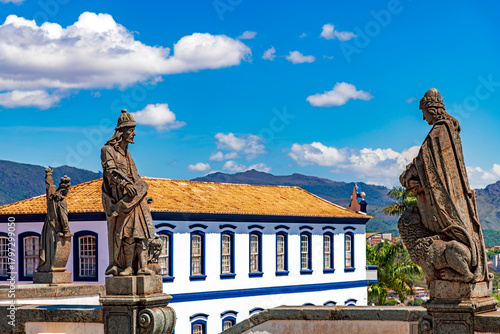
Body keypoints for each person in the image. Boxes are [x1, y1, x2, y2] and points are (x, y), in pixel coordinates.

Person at [400, 88, 489, 283]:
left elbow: (425, 163)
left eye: (423, 113)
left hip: (445, 198)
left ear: (431, 109)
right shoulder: (447, 129)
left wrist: (409, 173)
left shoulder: (439, 132)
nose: (423, 119)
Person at [101, 109, 156, 276]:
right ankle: (128, 267)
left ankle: (142, 267)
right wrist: (125, 185)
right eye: (131, 130)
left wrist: (143, 194)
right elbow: (110, 171)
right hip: (122, 200)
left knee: (142, 234)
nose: (134, 134)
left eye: (133, 130)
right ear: (121, 131)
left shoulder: (127, 154)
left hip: (135, 199)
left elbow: (135, 175)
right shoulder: (107, 150)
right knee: (127, 234)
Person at [37, 169, 72, 272]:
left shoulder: (51, 197)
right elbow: (64, 218)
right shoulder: (62, 202)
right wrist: (66, 231)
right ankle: (50, 268)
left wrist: (49, 174)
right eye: (68, 189)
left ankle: (45, 267)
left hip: (48, 226)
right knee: (52, 250)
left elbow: (49, 186)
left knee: (47, 250)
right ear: (65, 190)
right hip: (56, 229)